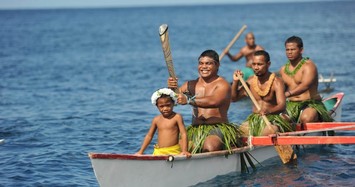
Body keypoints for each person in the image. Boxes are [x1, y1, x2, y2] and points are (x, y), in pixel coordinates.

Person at [168, 50, 242, 153]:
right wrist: (171, 88)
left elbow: (213, 101)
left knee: (210, 146)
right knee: (176, 147)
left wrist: (188, 100)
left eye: (208, 63)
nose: (204, 67)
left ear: (217, 65)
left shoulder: (223, 84)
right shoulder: (190, 85)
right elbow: (172, 101)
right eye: (201, 63)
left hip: (217, 128)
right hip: (195, 128)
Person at [231, 50, 292, 136]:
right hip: (256, 119)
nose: (256, 67)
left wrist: (269, 111)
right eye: (254, 64)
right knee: (238, 133)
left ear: (268, 64)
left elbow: (282, 105)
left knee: (269, 131)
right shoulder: (251, 81)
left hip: (273, 118)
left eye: (259, 64)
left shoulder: (277, 82)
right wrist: (235, 82)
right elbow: (234, 99)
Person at [279, 36, 332, 124]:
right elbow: (280, 88)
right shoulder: (283, 69)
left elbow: (305, 86)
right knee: (280, 120)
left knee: (306, 117)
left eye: (292, 49)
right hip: (291, 104)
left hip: (311, 104)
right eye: (287, 50)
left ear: (301, 50)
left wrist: (287, 94)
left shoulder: (309, 66)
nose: (289, 52)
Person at [136, 88, 190, 156]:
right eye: (161, 106)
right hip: (159, 151)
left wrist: (185, 150)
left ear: (173, 103)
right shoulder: (156, 120)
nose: (165, 109)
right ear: (157, 106)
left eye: (168, 105)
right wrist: (141, 151)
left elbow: (183, 134)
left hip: (173, 151)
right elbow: (149, 136)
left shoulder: (177, 117)